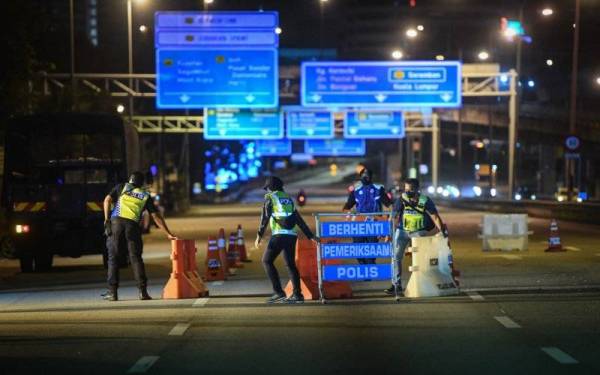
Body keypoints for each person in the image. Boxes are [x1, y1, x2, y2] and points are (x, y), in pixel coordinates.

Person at [102, 171, 177, 301]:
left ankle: (112, 293)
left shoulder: (121, 187)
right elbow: (156, 216)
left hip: (116, 224)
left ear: (130, 180)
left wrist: (106, 219)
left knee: (113, 258)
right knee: (136, 258)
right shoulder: (145, 195)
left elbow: (107, 200)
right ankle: (143, 292)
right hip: (132, 227)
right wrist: (168, 234)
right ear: (141, 183)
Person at [255, 176, 317, 304]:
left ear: (271, 188)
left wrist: (259, 236)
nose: (267, 191)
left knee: (267, 261)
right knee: (290, 264)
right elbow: (298, 219)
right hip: (291, 235)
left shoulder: (271, 198)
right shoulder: (288, 199)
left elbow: (264, 218)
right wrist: (311, 236)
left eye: (267, 188)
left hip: (279, 234)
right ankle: (297, 294)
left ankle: (278, 292)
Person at [385, 178, 448, 296]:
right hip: (402, 231)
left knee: (422, 259)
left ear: (417, 189)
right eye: (406, 189)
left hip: (419, 232)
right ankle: (396, 285)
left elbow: (435, 216)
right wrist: (390, 233)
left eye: (411, 189)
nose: (408, 191)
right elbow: (393, 217)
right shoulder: (402, 199)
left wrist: (442, 231)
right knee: (395, 257)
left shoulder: (425, 200)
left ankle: (425, 283)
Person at [342, 168, 393, 264]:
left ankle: (370, 270)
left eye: (368, 175)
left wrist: (387, 220)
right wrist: (348, 215)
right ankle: (363, 268)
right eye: (363, 175)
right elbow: (348, 206)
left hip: (374, 225)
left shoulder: (379, 189)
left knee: (372, 251)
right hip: (358, 225)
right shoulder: (355, 190)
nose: (366, 177)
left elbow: (389, 205)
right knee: (358, 250)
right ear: (360, 177)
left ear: (371, 177)